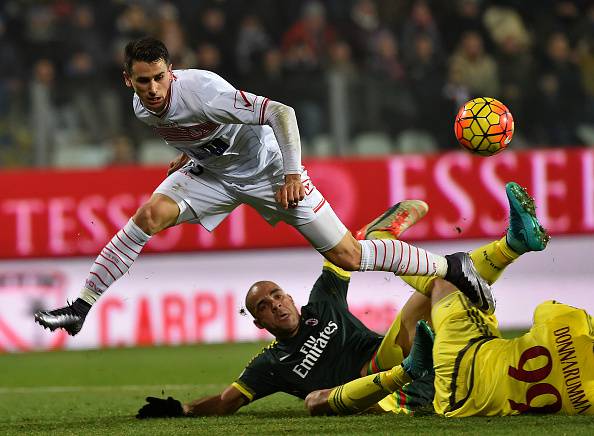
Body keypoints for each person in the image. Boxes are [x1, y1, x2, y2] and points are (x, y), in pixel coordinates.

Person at [34, 36, 490, 336]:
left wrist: (293, 172)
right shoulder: (140, 107)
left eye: (159, 78)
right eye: (143, 81)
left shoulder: (205, 91)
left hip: (270, 170)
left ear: (172, 71)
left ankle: (451, 266)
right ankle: (82, 305)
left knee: (347, 255)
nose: (153, 89)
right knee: (149, 215)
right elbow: (197, 132)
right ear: (128, 80)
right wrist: (190, 154)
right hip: (215, 174)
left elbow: (281, 113)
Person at [306, 183, 594, 417]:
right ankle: (382, 239)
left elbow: (545, 310)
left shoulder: (571, 326)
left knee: (447, 282)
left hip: (466, 358)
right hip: (461, 398)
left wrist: (407, 372)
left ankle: (510, 247)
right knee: (323, 400)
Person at [135, 199, 436, 418]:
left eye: (278, 296)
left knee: (428, 295)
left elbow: (342, 253)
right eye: (263, 306)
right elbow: (228, 401)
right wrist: (183, 408)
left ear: (292, 298)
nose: (275, 305)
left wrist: (370, 235)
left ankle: (383, 240)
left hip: (387, 359)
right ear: (259, 323)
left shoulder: (323, 301)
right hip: (363, 395)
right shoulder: (272, 364)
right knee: (319, 403)